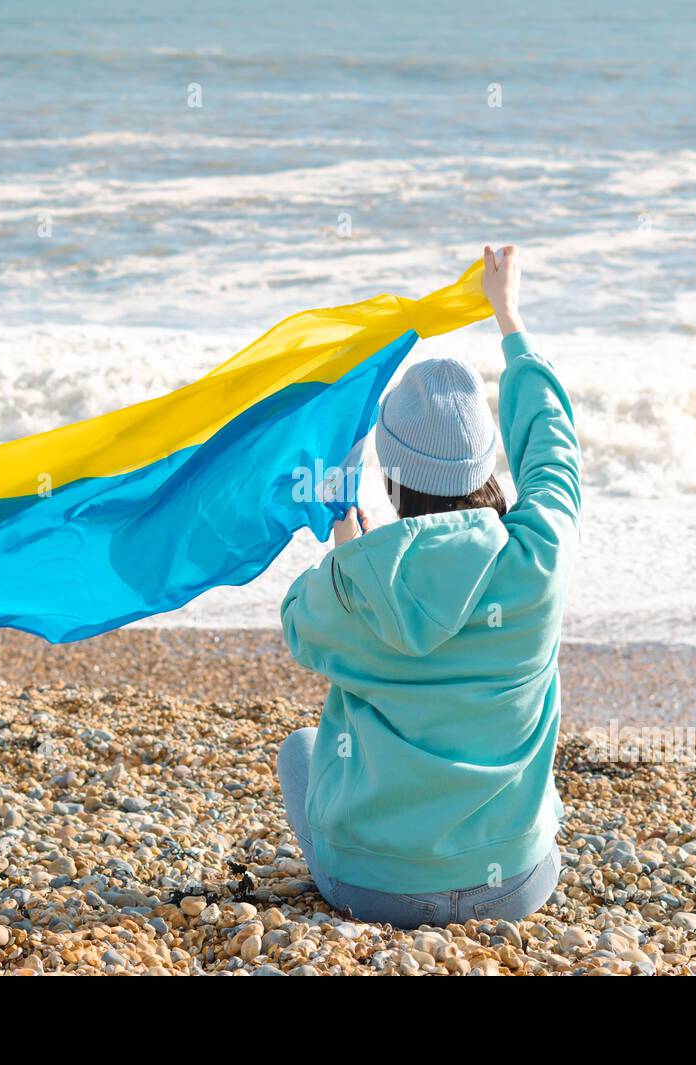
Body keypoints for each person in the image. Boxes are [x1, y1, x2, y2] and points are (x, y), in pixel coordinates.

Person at [277, 245, 582, 928]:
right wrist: (509, 316)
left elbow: (298, 622)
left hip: (370, 886)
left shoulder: (357, 586)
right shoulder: (537, 561)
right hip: (515, 883)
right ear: (490, 463)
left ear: (391, 483)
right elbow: (555, 449)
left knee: (301, 748)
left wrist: (349, 556)